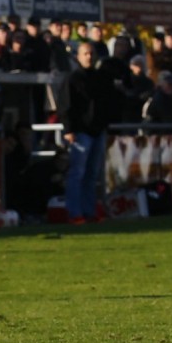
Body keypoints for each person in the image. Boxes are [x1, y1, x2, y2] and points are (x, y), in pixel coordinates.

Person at [61, 41, 117, 223]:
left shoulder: (102, 77)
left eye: (91, 53)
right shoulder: (72, 79)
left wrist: (106, 125)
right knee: (77, 173)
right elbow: (65, 106)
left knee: (92, 174)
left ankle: (89, 211)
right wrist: (69, 129)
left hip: (98, 131)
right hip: (80, 132)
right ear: (78, 56)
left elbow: (109, 103)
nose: (89, 56)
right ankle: (75, 213)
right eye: (85, 53)